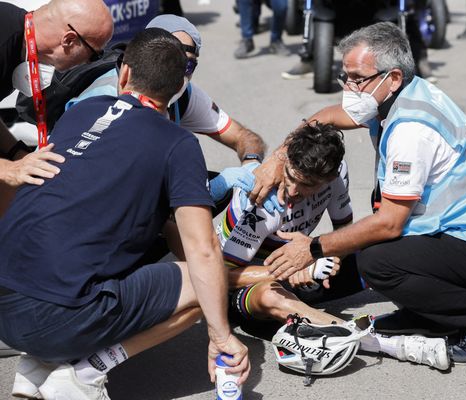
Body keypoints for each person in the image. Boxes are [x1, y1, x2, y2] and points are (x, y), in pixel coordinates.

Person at [262, 22, 466, 365]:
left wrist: (313, 248)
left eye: (356, 79)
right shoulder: (400, 95)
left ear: (391, 77)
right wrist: (280, 154)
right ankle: (432, 311)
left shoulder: (411, 130)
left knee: (377, 262)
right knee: (351, 260)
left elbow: (390, 224)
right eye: (345, 77)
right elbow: (327, 118)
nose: (349, 88)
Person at [0, 28, 250, 399]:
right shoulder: (178, 143)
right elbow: (203, 250)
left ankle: (41, 363)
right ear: (179, 89)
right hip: (53, 319)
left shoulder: (82, 110)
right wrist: (221, 335)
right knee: (203, 284)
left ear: (125, 74)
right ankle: (84, 374)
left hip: (4, 306)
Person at [215, 121, 451, 371]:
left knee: (380, 249)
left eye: (307, 185)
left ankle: (458, 298)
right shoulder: (261, 203)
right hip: (242, 289)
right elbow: (219, 277)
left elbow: (344, 233)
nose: (294, 190)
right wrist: (294, 269)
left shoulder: (337, 175)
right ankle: (389, 344)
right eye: (292, 177)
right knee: (271, 294)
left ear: (328, 178)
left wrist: (329, 255)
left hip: (298, 267)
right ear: (286, 162)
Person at [62, 14, 267, 170]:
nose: (174, 73)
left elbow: (243, 136)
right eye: (165, 61)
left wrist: (251, 167)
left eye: (186, 66)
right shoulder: (102, 98)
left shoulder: (184, 94)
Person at [0, 0, 113, 214]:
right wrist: (9, 170)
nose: (89, 63)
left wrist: (17, 153)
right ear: (69, 40)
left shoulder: (17, 32)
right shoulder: (4, 44)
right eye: (94, 55)